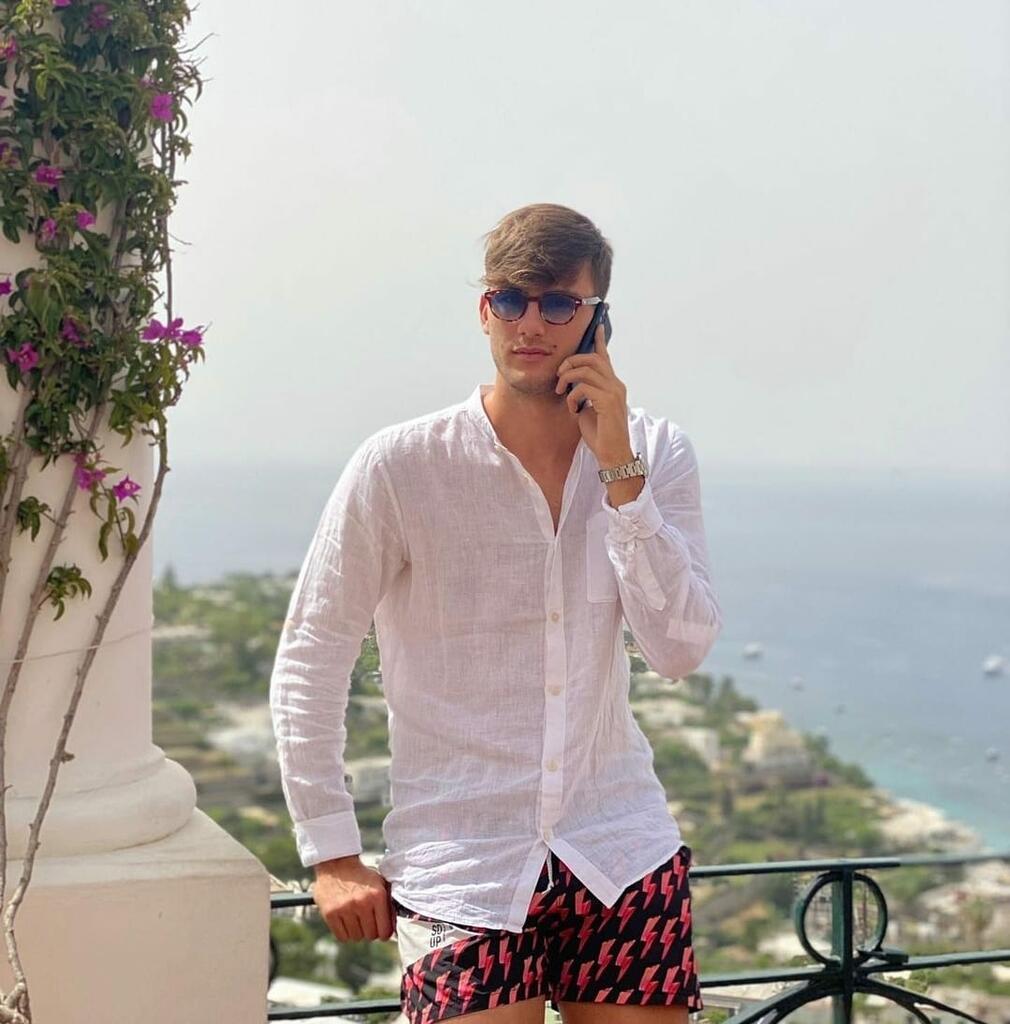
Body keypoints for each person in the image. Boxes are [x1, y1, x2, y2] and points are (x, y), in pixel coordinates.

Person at [269, 202, 723, 1023]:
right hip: (462, 865)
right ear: (485, 310)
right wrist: (332, 851)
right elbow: (312, 652)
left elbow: (680, 648)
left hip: (618, 845)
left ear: (599, 320)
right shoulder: (401, 466)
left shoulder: (656, 453)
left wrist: (621, 473)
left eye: (559, 303)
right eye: (510, 300)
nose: (531, 324)